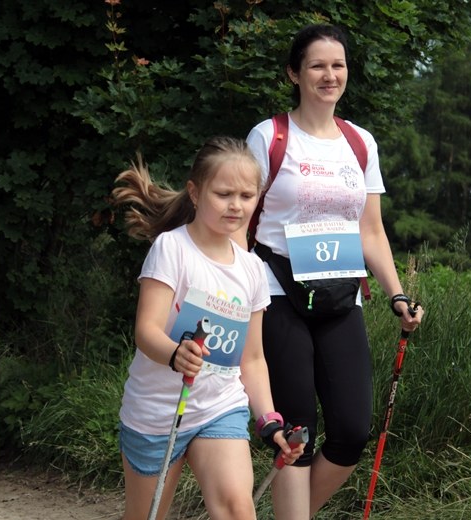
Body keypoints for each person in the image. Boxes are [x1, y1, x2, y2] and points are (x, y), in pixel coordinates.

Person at [244, 24, 425, 519]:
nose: (330, 75)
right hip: (277, 290)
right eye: (318, 66)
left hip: (342, 293)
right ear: (294, 74)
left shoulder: (360, 142)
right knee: (296, 429)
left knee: (351, 431)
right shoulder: (269, 136)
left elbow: (372, 230)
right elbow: (240, 217)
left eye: (338, 65)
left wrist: (396, 294)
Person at [111, 136, 303, 520]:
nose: (236, 205)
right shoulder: (172, 249)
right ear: (195, 193)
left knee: (237, 508)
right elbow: (146, 330)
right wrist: (175, 353)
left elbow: (252, 359)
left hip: (219, 406)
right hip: (157, 410)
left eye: (247, 196)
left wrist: (268, 420)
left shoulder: (252, 269)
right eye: (223, 194)